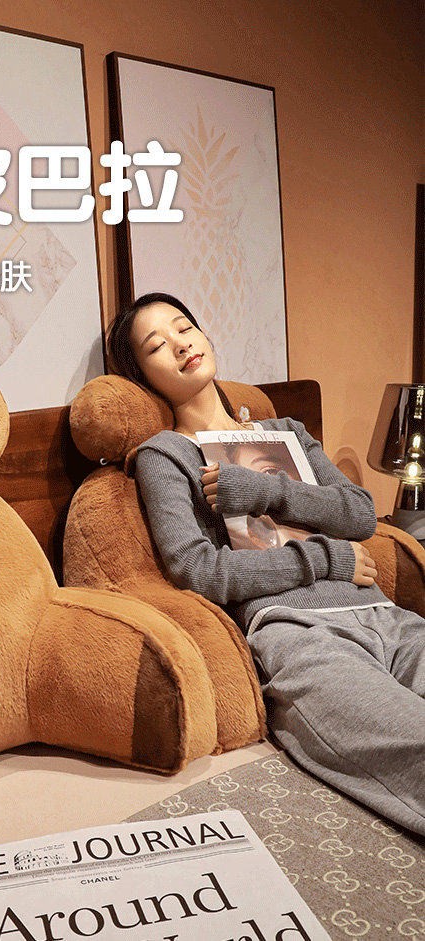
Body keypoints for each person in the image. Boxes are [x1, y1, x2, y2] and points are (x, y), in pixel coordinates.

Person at [108, 291, 425, 837]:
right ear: (143, 376)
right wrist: (325, 558)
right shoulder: (166, 454)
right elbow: (198, 570)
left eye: (184, 327)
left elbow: (359, 512)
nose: (179, 344)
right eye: (156, 345)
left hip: (385, 615)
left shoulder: (288, 433)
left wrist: (266, 490)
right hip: (298, 632)